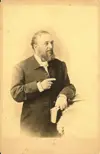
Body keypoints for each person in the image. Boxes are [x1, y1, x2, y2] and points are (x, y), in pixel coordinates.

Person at [10, 30, 76, 137]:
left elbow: (69, 86)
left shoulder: (60, 65)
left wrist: (63, 95)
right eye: (46, 43)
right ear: (35, 47)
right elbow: (15, 93)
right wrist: (39, 86)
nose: (50, 46)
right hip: (32, 129)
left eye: (51, 43)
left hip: (56, 128)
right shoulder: (21, 67)